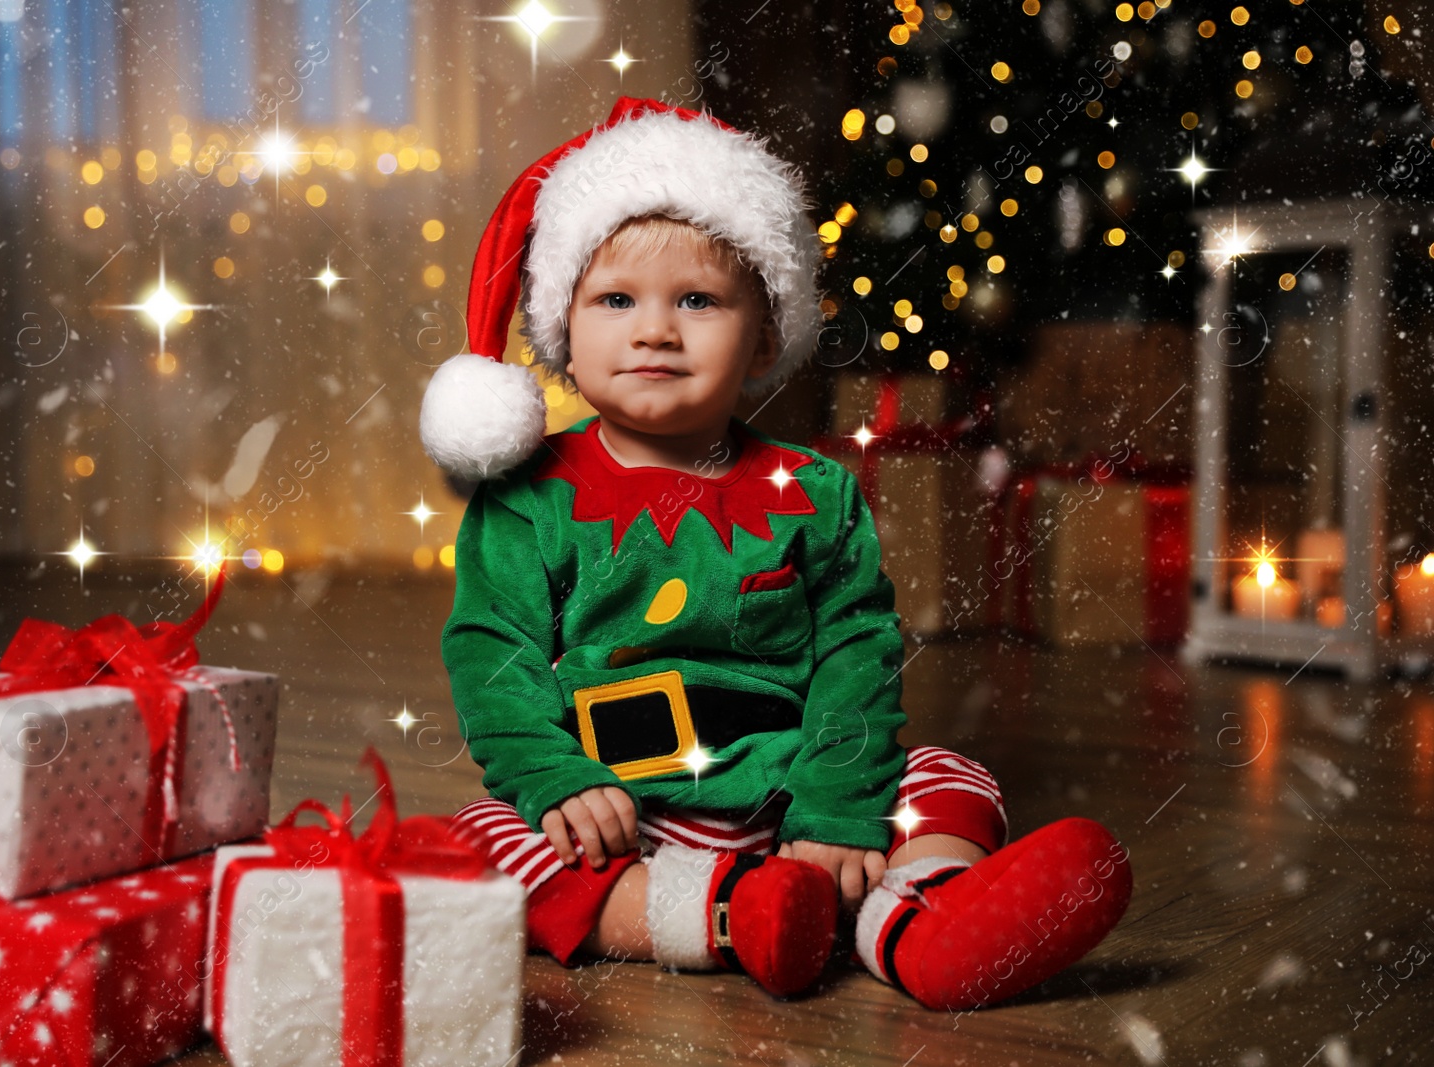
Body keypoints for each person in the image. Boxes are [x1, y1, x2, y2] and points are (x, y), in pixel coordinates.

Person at [418, 96, 1132, 1009]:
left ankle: (922, 923)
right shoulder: (524, 497)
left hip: (793, 797)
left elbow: (856, 652)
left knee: (950, 776)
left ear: (763, 338)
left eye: (699, 301)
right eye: (615, 300)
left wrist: (835, 803)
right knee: (482, 839)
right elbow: (495, 653)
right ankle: (723, 917)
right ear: (561, 327)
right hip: (623, 811)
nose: (655, 329)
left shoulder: (815, 491)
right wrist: (557, 778)